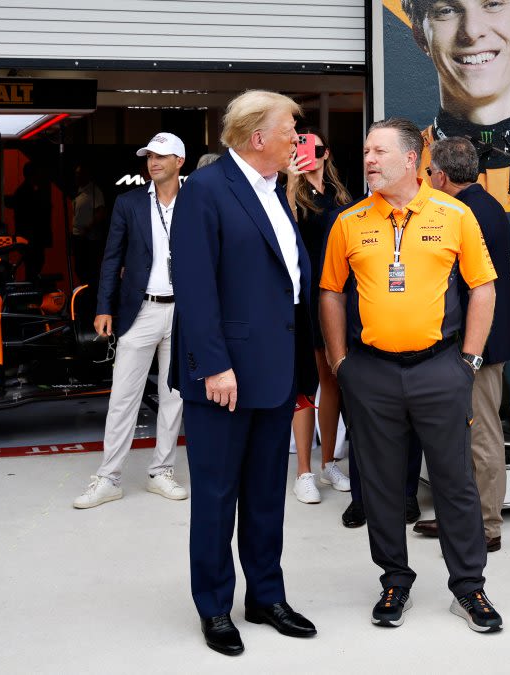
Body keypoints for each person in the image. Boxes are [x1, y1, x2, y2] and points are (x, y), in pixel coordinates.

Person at [321, 117, 502, 633]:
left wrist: (468, 360)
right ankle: (394, 579)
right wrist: (340, 363)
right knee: (378, 484)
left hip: (439, 368)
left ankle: (469, 588)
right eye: (365, 152)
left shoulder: (454, 214)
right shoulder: (349, 221)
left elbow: (483, 287)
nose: (369, 160)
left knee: (455, 482)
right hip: (371, 372)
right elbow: (331, 292)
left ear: (410, 159)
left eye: (378, 151)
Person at [170, 90, 318, 656]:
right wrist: (214, 365)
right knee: (215, 496)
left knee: (263, 496)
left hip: (274, 372)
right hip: (225, 378)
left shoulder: (275, 191)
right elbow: (196, 287)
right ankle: (214, 605)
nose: (297, 140)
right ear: (259, 137)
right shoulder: (207, 191)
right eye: (291, 130)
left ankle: (266, 596)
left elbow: (287, 285)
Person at [413, 136, 510, 552]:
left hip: (479, 344)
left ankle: (487, 527)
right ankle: (463, 518)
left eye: (428, 173)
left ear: (440, 175)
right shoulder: (486, 206)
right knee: (463, 436)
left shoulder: (463, 212)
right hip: (480, 341)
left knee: (482, 435)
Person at [73, 133, 189, 509]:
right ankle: (109, 477)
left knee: (175, 396)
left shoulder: (198, 202)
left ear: (179, 161)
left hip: (185, 311)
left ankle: (161, 471)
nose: (153, 162)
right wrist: (103, 307)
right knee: (124, 397)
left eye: (161, 156)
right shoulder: (130, 203)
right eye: (149, 157)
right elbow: (111, 258)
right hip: (140, 311)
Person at [403, 0, 510, 212]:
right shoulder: (408, 165)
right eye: (446, 11)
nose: (472, 31)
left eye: (493, 4)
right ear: (420, 36)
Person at [283, 130, 353, 504]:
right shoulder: (288, 193)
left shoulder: (341, 195)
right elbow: (286, 230)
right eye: (300, 148)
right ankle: (303, 471)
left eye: (315, 149)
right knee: (306, 385)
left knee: (333, 379)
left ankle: (328, 462)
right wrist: (292, 179)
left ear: (326, 155)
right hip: (306, 296)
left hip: (338, 295)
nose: (309, 154)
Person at [11, 161, 53, 281]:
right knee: (34, 266)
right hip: (33, 238)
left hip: (28, 237)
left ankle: (31, 290)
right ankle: (32, 291)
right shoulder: (31, 192)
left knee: (31, 267)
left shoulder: (22, 191)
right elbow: (35, 216)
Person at [70, 163, 107, 284]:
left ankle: (90, 295)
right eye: (75, 174)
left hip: (88, 239)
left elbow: (101, 212)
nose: (76, 177)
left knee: (89, 270)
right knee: (79, 268)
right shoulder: (79, 192)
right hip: (78, 237)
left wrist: (88, 228)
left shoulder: (94, 191)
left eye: (79, 174)